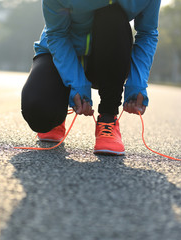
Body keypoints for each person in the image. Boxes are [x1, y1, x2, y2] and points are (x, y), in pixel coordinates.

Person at [21, 0, 161, 155]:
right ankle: (57, 115)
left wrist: (137, 82)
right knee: (39, 112)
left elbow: (147, 33)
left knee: (112, 14)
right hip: (59, 52)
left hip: (107, 58)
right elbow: (57, 34)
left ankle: (108, 118)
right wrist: (77, 83)